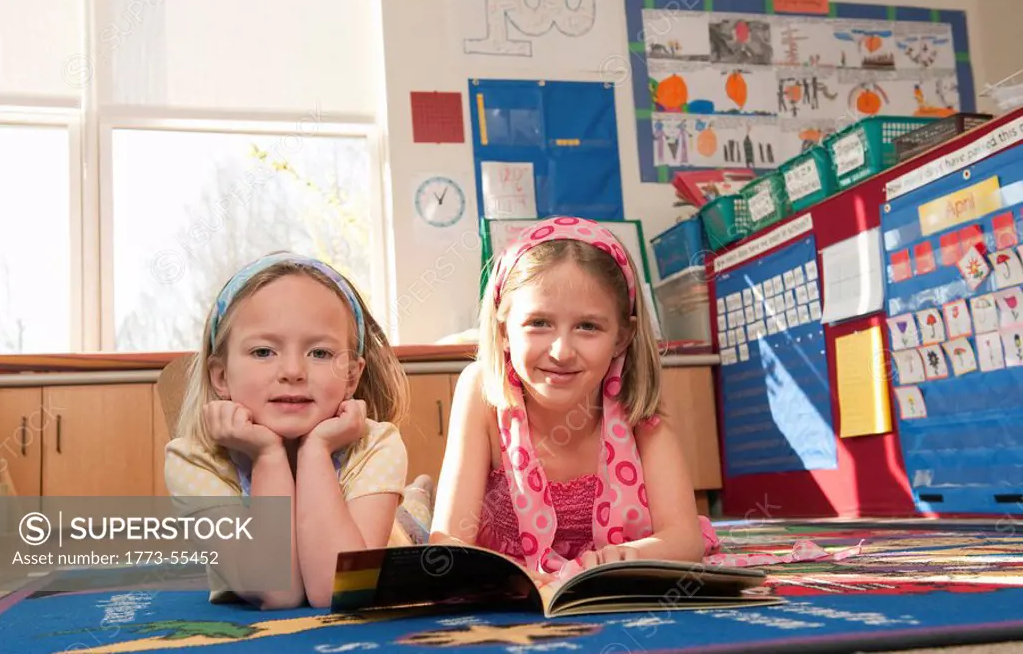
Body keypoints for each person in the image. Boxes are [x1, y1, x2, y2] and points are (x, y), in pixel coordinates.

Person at [430, 217, 859, 584]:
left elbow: (684, 538)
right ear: (504, 329)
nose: (561, 350)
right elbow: (448, 539)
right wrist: (518, 578)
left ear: (623, 337)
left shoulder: (634, 405)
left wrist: (623, 559)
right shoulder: (481, 390)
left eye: (588, 327)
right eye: (538, 322)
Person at [164, 252, 430, 610]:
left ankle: (417, 499)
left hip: (399, 538)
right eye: (263, 351)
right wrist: (268, 455)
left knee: (413, 528)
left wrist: (316, 450)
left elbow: (336, 590)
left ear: (351, 376)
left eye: (319, 353)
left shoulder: (376, 444)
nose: (292, 370)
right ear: (221, 376)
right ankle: (415, 494)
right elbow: (277, 591)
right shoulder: (192, 461)